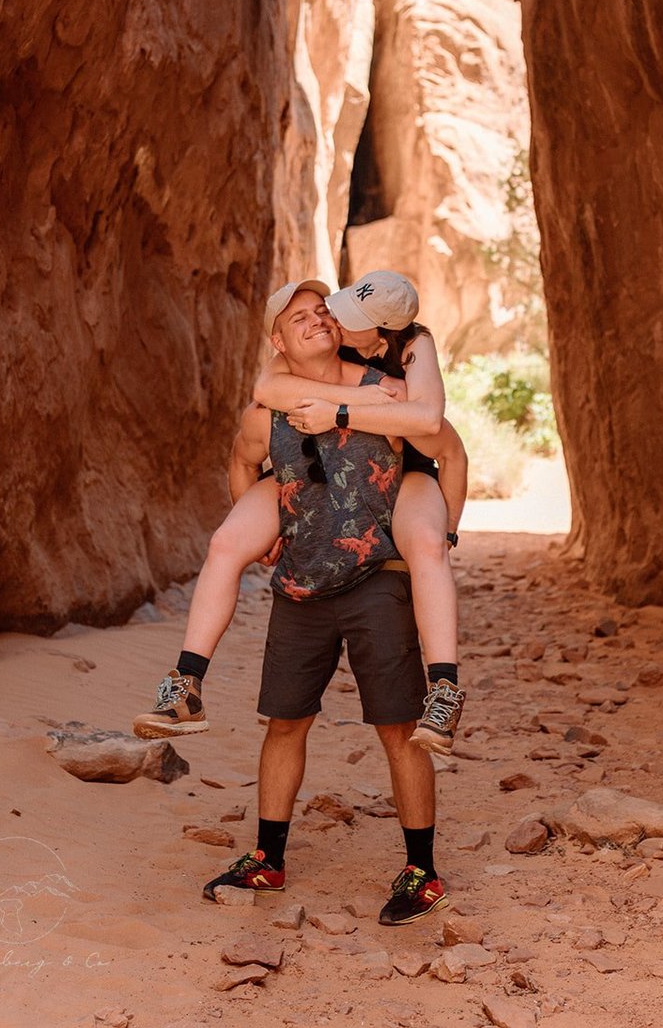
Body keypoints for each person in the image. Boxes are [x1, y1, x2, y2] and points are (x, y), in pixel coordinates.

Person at [133, 271, 468, 755]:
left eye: (335, 315)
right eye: (325, 312)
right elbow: (266, 392)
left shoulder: (411, 350)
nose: (328, 320)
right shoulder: (311, 356)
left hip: (406, 460)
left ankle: (443, 688)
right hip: (311, 470)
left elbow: (434, 428)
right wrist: (352, 401)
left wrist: (450, 530)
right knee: (225, 543)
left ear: (381, 330)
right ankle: (186, 686)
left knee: (427, 545)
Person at [200, 280, 448, 925]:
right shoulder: (269, 405)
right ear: (278, 342)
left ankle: (422, 872)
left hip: (379, 577)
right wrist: (259, 537)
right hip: (301, 587)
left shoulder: (384, 390)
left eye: (323, 313)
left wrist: (443, 532)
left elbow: (442, 444)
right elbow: (241, 458)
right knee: (284, 722)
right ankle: (267, 858)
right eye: (300, 318)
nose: (317, 321)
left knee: (399, 729)